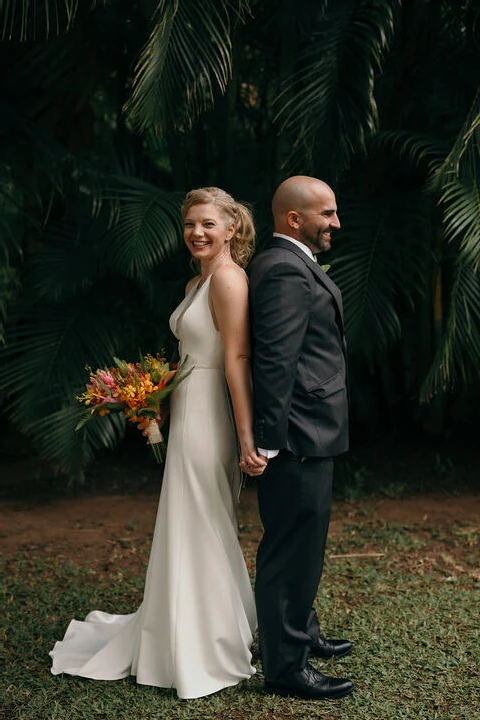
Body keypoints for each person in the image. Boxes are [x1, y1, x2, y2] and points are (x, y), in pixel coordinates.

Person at [49, 187, 267, 699]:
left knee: (203, 518)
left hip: (211, 416)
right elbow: (191, 351)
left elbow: (236, 361)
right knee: (189, 518)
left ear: (231, 228)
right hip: (187, 408)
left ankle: (207, 644)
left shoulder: (230, 280)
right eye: (190, 223)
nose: (196, 232)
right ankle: (186, 632)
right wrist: (152, 398)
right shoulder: (198, 280)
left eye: (208, 224)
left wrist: (245, 435)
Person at [246, 175, 354, 700]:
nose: (336, 222)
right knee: (291, 549)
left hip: (311, 430)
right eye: (327, 214)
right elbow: (273, 361)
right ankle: (286, 667)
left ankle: (302, 634)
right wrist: (269, 439)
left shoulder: (289, 263)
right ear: (295, 219)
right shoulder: (285, 270)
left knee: (305, 545)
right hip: (297, 436)